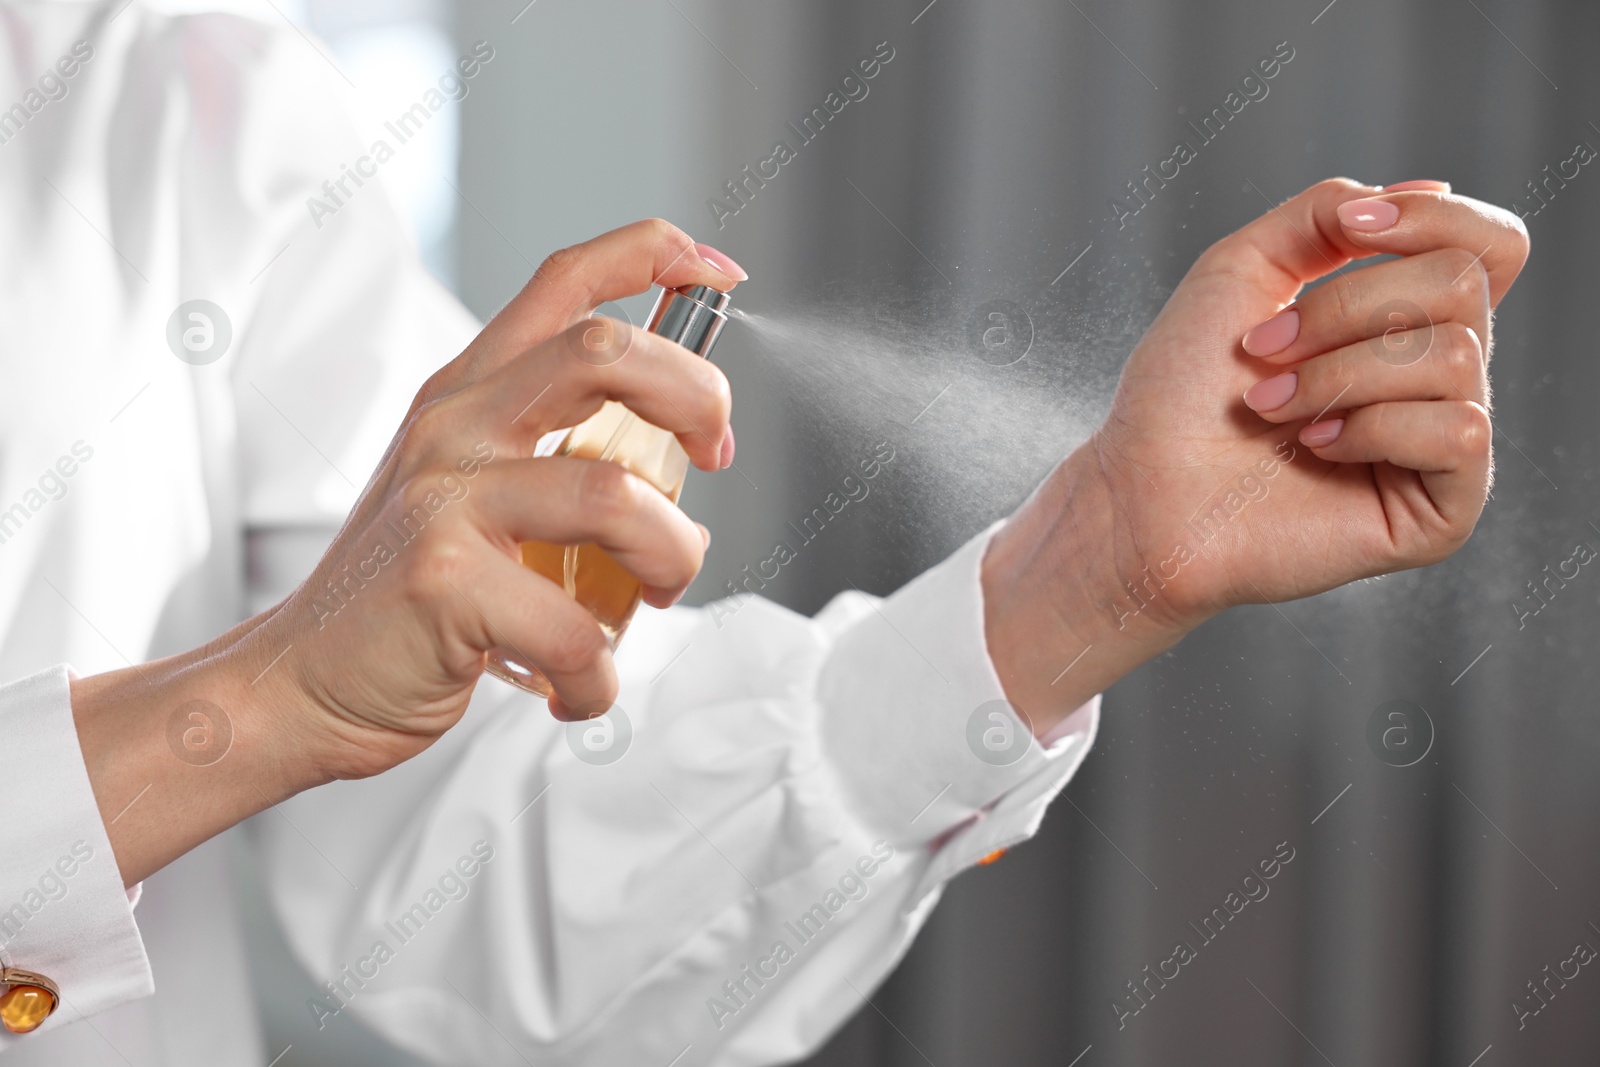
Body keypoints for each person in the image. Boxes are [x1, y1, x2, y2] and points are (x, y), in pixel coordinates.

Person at [0, 4, 1528, 1065]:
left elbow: (477, 885)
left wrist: (1094, 568)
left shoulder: (172, 104)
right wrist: (249, 706)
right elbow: (301, 700)